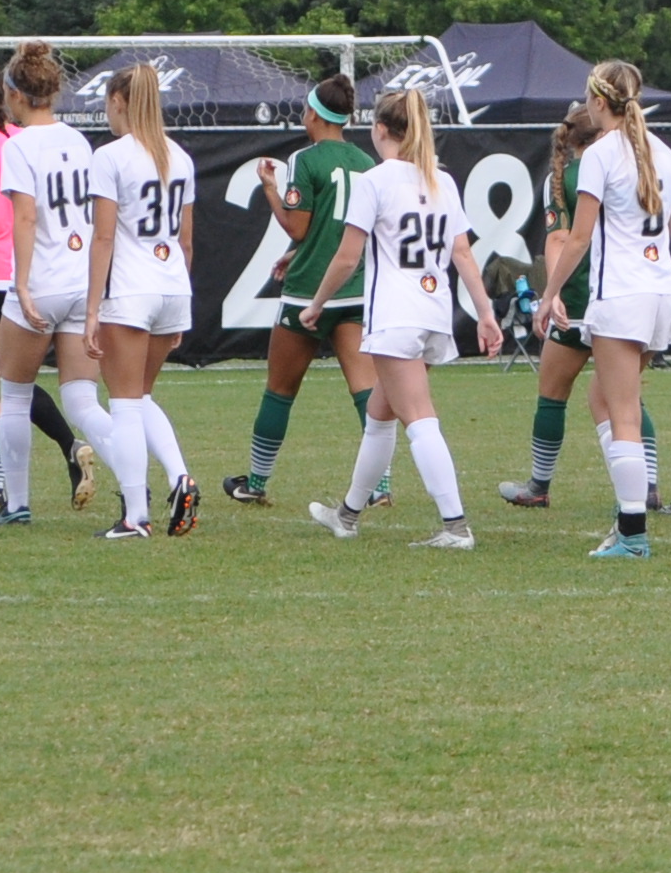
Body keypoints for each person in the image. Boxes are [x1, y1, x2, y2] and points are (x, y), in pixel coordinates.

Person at [302, 85, 502, 546]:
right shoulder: (441, 181)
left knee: (418, 416)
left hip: (397, 315)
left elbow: (347, 258)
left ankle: (456, 526)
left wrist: (316, 304)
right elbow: (464, 257)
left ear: (379, 129)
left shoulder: (375, 180)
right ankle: (347, 516)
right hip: (434, 312)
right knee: (380, 411)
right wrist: (485, 314)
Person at [539, 61, 671, 560]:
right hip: (661, 296)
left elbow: (579, 236)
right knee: (603, 400)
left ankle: (633, 532)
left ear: (600, 102)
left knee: (623, 411)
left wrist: (550, 294)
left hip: (622, 295)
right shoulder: (665, 154)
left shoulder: (603, 154)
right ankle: (626, 514)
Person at [227, 75, 380, 508]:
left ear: (313, 113)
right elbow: (344, 229)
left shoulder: (304, 159)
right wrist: (299, 251)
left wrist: (271, 190)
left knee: (280, 389)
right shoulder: (365, 162)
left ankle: (256, 482)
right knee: (366, 391)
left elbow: (298, 225)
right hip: (354, 290)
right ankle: (381, 486)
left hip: (309, 292)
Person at [0, 55, 91, 516]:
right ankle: (101, 463)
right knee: (67, 393)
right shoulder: (62, 139)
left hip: (9, 276)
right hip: (67, 274)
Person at [78, 60, 202, 539]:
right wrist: (179, 300)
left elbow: (103, 238)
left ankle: (135, 515)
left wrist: (92, 310)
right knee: (142, 395)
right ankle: (178, 477)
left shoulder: (111, 156)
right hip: (172, 285)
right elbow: (187, 241)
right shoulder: (181, 156)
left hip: (131, 289)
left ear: (118, 102)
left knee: (125, 403)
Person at [0, 42, 104, 530]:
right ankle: (136, 492)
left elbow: (26, 217)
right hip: (80, 282)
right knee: (84, 401)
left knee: (12, 395)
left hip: (43, 283)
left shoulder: (18, 145)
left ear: (14, 93)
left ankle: (17, 503)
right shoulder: (79, 142)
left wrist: (23, 286)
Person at [498, 102, 611, 514]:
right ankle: (648, 486)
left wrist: (553, 293)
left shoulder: (564, 178)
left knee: (552, 392)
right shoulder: (631, 169)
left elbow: (560, 239)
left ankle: (540, 485)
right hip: (620, 296)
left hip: (578, 295)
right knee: (624, 398)